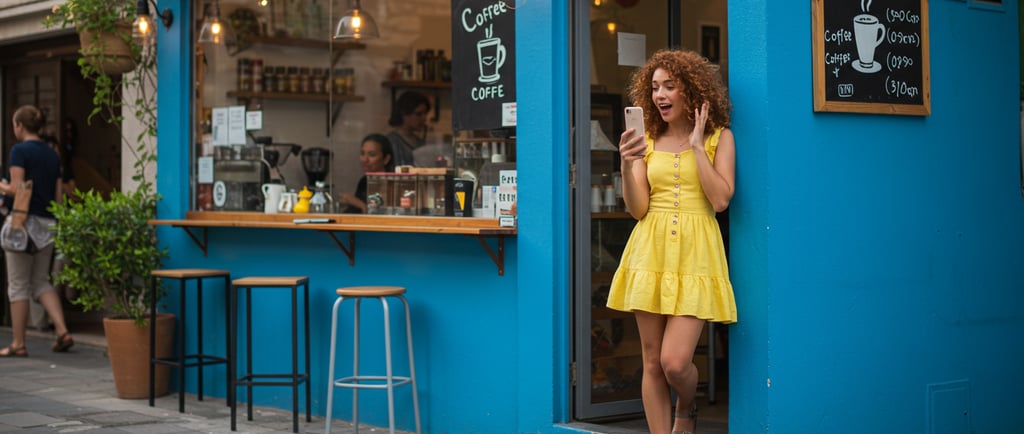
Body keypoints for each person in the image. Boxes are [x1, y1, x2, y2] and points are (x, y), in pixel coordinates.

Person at [605, 49, 737, 434]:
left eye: (669, 86)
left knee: (675, 362)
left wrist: (697, 146)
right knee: (651, 361)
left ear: (692, 91)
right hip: (651, 248)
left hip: (697, 252)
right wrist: (628, 164)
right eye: (655, 87)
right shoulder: (646, 138)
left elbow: (720, 200)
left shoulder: (719, 138)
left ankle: (687, 404)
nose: (660, 95)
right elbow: (638, 208)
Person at [0, 105, 74, 357]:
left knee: (18, 285)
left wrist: (2, 186)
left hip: (22, 224)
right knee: (41, 280)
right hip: (48, 223)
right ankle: (63, 330)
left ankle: (18, 343)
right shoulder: (53, 154)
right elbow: (58, 196)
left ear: (19, 126)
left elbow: (18, 189)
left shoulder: (19, 151)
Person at [339, 134, 395, 213]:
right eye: (362, 153)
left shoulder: (392, 183)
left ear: (386, 159)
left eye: (372, 155)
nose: (365, 160)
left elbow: (380, 217)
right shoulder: (364, 181)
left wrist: (359, 204)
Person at [386, 91, 431, 166]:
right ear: (404, 113)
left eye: (425, 113)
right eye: (418, 114)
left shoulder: (419, 141)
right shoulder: (391, 142)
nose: (424, 118)